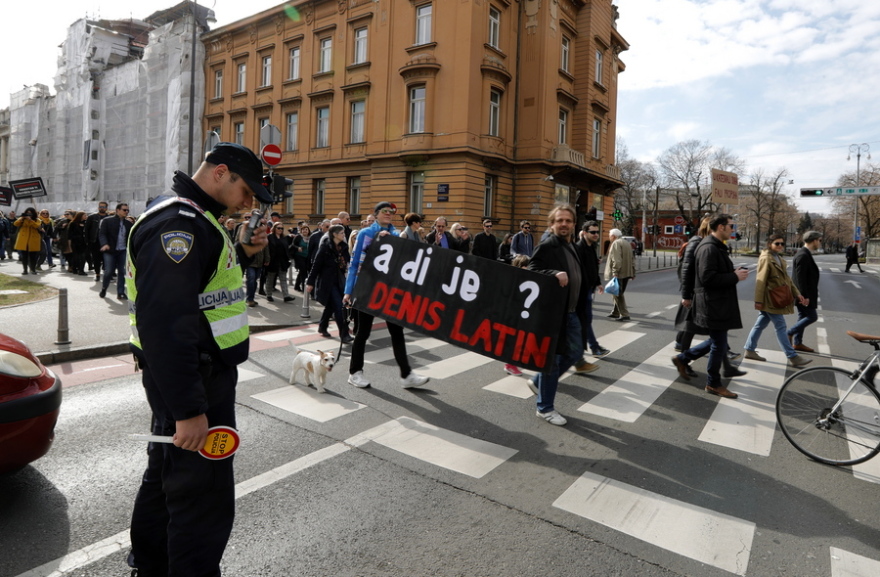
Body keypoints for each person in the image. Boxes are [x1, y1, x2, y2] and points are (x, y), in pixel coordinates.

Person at [125, 141, 271, 577]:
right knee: (202, 497)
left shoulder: (192, 216)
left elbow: (204, 289)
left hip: (187, 375)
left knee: (165, 477)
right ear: (221, 173)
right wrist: (190, 410)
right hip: (195, 379)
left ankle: (150, 565)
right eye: (246, 191)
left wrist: (242, 252)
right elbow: (166, 323)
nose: (248, 203)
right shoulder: (181, 224)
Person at [343, 201, 430, 389]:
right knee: (363, 332)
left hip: (389, 290)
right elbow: (355, 262)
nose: (389, 213)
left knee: (397, 332)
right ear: (376, 214)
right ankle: (355, 373)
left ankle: (406, 375)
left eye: (391, 212)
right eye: (385, 211)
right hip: (367, 289)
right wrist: (348, 291)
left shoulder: (397, 235)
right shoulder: (365, 234)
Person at [525, 204, 590, 425]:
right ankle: (545, 408)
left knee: (575, 353)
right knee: (552, 362)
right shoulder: (548, 245)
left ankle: (538, 381)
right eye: (559, 220)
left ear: (574, 224)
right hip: (553, 315)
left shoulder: (571, 245)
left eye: (568, 221)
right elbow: (532, 271)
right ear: (552, 224)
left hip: (571, 313)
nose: (564, 224)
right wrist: (553, 273)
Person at [672, 214, 749, 399]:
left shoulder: (715, 246)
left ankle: (683, 359)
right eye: (731, 226)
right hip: (713, 303)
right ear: (721, 227)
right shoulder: (709, 248)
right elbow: (707, 278)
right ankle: (713, 383)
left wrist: (732, 272)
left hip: (717, 302)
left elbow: (713, 272)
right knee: (718, 344)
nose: (733, 229)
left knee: (718, 342)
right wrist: (734, 276)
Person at [743, 234, 812, 368]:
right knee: (781, 326)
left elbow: (787, 280)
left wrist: (797, 294)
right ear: (770, 244)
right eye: (777, 243)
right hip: (771, 299)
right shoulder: (766, 258)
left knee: (760, 325)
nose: (780, 246)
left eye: (782, 243)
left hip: (775, 298)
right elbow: (760, 281)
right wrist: (758, 300)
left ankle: (749, 350)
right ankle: (792, 356)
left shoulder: (778, 258)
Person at [574, 221, 610, 365]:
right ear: (584, 233)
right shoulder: (579, 248)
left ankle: (592, 348)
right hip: (581, 291)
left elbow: (592, 267)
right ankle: (592, 348)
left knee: (585, 321)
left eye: (597, 232)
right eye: (593, 232)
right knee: (584, 320)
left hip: (589, 289)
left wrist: (598, 283)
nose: (596, 235)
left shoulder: (592, 247)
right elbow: (578, 271)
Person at [308, 224, 352, 341]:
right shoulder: (325, 247)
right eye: (342, 233)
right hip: (328, 282)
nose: (344, 235)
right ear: (334, 234)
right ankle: (344, 334)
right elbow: (316, 266)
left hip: (340, 281)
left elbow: (348, 262)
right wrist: (310, 282)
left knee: (331, 306)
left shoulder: (343, 247)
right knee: (339, 307)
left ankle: (322, 327)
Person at [786, 231, 823, 353]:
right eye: (819, 240)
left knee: (803, 316)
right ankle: (789, 333)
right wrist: (804, 296)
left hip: (803, 293)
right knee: (812, 316)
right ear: (814, 240)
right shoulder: (803, 255)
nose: (820, 243)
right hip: (803, 294)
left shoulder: (805, 254)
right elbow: (799, 278)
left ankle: (797, 343)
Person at [503, 254, 531, 376]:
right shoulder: (514, 279)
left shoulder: (528, 279)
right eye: (525, 266)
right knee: (513, 340)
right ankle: (510, 365)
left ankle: (512, 363)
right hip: (513, 316)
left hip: (521, 315)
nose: (527, 268)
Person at [97, 203, 133, 299]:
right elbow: (102, 234)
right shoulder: (107, 221)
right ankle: (104, 288)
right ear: (117, 210)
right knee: (109, 271)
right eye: (124, 210)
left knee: (122, 271)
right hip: (110, 251)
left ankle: (120, 292)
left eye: (127, 210)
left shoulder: (128, 223)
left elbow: (131, 238)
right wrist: (105, 244)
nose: (126, 212)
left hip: (123, 251)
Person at [604, 228, 636, 321]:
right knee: (617, 292)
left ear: (613, 236)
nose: (609, 238)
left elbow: (616, 259)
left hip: (620, 273)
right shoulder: (626, 243)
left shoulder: (616, 243)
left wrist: (615, 272)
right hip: (627, 272)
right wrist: (633, 272)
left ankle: (624, 314)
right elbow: (632, 259)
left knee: (617, 293)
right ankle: (615, 312)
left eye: (610, 236)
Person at [266, 222, 295, 303]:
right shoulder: (269, 237)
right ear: (274, 228)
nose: (280, 230)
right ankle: (269, 295)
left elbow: (288, 247)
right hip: (272, 261)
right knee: (270, 279)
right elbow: (266, 249)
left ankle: (286, 296)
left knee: (283, 279)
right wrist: (266, 259)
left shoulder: (284, 238)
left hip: (282, 261)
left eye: (282, 228)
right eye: (278, 228)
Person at [84, 201, 111, 281]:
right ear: (98, 207)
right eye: (100, 207)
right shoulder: (92, 217)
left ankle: (107, 275)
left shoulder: (110, 218)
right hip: (95, 241)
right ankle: (97, 274)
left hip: (106, 242)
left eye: (104, 207)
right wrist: (87, 241)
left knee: (107, 259)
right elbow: (86, 230)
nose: (102, 208)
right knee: (96, 259)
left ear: (106, 208)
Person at [13, 207, 43, 275]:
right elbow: (15, 224)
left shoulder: (37, 220)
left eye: (30, 213)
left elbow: (37, 226)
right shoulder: (22, 219)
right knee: (24, 256)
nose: (29, 215)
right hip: (24, 240)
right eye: (27, 213)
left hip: (33, 239)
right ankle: (25, 270)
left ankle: (33, 269)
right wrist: (22, 218)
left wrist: (30, 220)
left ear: (33, 214)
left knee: (33, 256)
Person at [291, 224, 311, 292]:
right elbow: (293, 245)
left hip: (307, 257)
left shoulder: (310, 238)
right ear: (301, 231)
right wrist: (298, 248)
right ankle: (304, 288)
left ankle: (296, 286)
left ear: (308, 231)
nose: (305, 231)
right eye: (303, 230)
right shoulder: (298, 237)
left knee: (302, 271)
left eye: (306, 229)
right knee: (304, 272)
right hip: (299, 256)